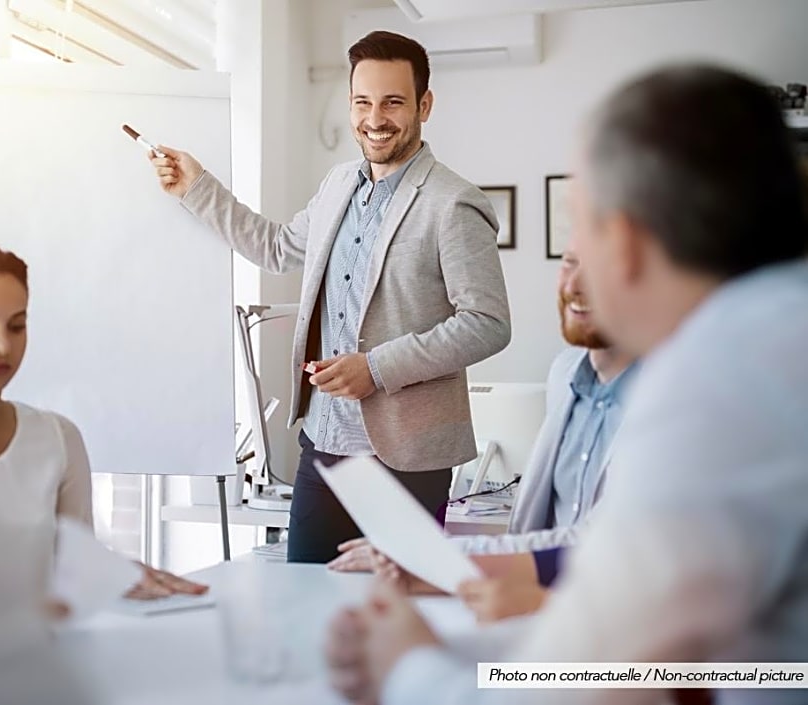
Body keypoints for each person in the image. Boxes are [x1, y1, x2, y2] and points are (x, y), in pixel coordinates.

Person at [325, 63, 808, 705]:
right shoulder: (771, 329)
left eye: (581, 224)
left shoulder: (723, 375)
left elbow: (591, 684)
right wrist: (452, 642)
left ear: (626, 243)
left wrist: (409, 669)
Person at [148, 30, 511, 563]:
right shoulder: (338, 184)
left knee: (395, 618)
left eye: (392, 102)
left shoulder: (452, 203)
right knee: (305, 599)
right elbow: (275, 247)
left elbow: (487, 322)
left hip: (409, 458)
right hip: (323, 443)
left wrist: (376, 368)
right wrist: (197, 187)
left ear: (424, 105)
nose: (375, 118)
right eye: (363, 102)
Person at [329, 244, 639, 622]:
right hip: (544, 619)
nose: (575, 284)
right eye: (570, 262)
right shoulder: (566, 373)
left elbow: (600, 546)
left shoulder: (681, 403)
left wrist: (435, 559)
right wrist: (434, 566)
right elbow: (544, 531)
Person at [0, 243, 208, 604]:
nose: (2, 345)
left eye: (17, 326)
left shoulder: (56, 439)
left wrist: (112, 577)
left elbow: (74, 571)